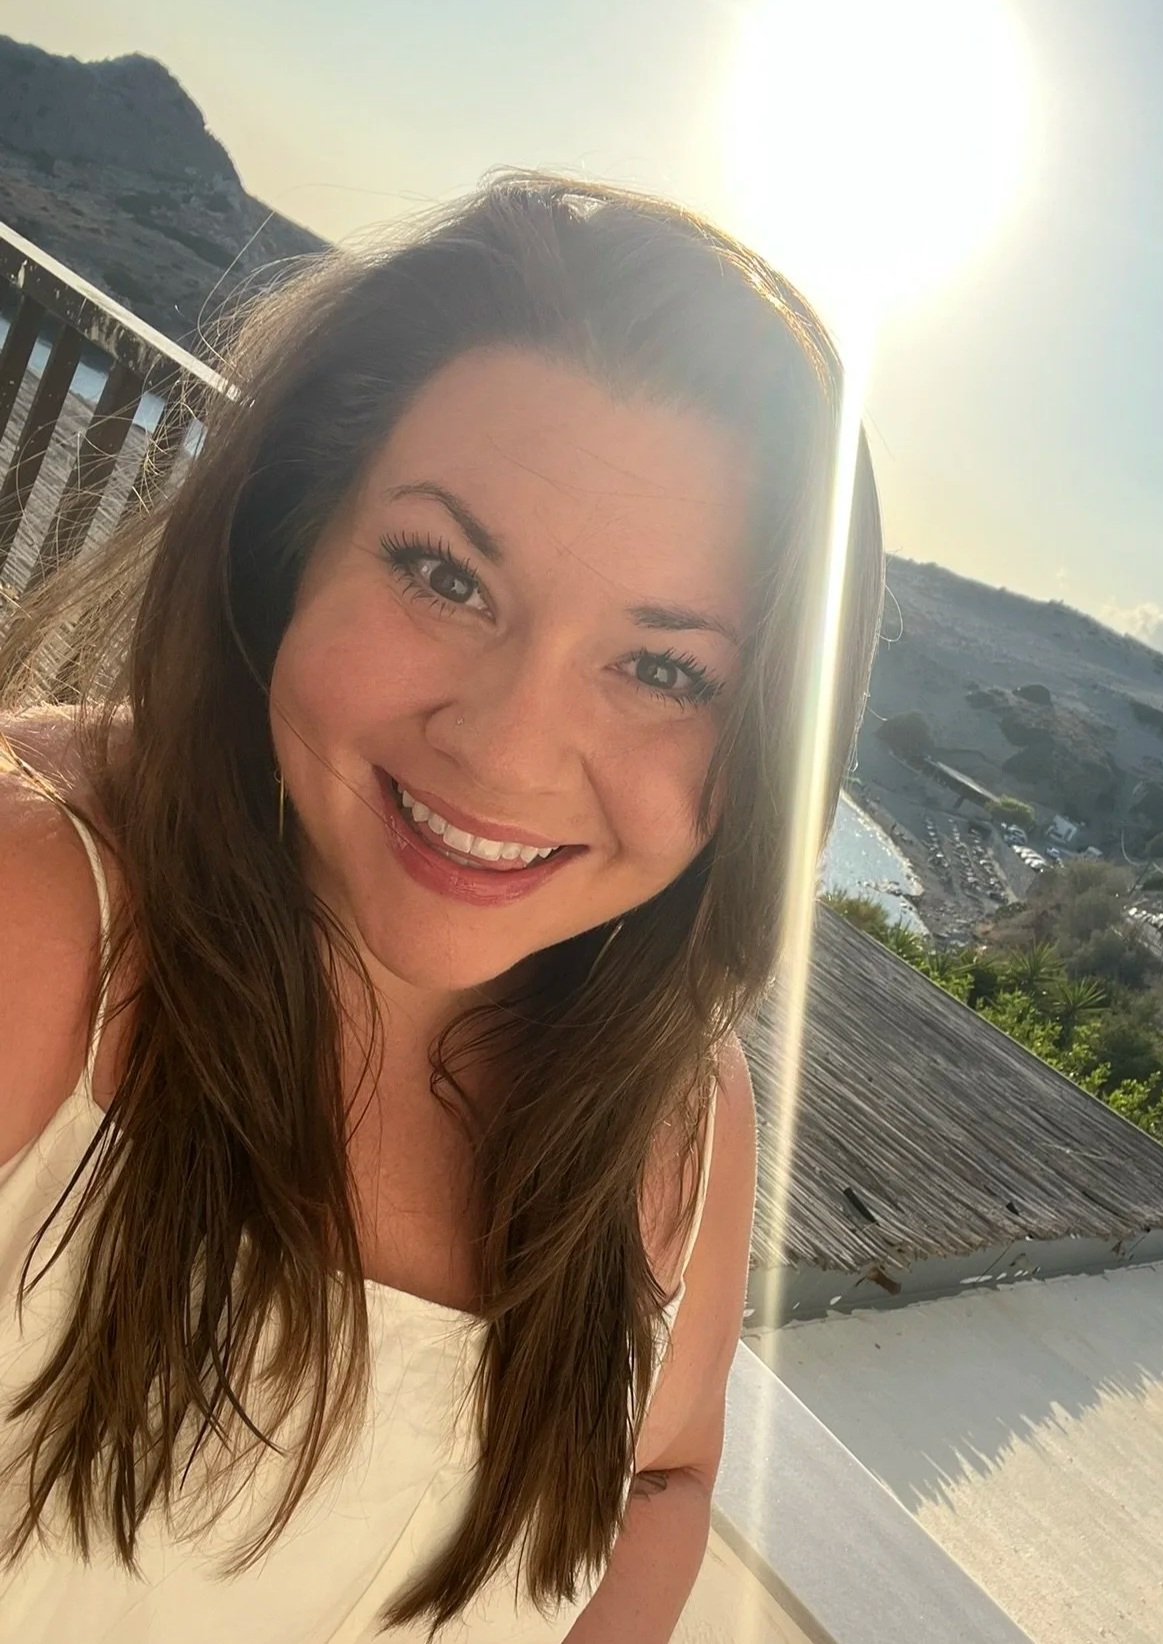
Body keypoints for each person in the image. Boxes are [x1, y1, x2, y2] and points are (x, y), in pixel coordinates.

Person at [0, 174, 884, 1640]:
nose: (505, 748)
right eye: (443, 574)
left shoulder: (675, 1119)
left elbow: (658, 1473)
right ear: (291, 544)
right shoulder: (40, 920)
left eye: (666, 669)